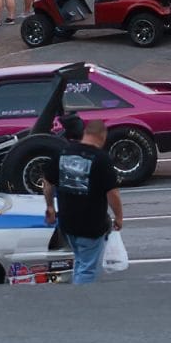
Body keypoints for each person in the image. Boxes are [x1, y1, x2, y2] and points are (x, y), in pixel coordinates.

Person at [44, 119, 123, 285]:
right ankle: (81, 298)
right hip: (90, 225)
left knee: (80, 261)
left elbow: (48, 183)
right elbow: (113, 193)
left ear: (85, 133)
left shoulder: (63, 152)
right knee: (87, 269)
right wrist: (119, 217)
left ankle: (77, 289)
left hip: (67, 223)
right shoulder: (101, 159)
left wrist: (50, 207)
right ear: (102, 137)